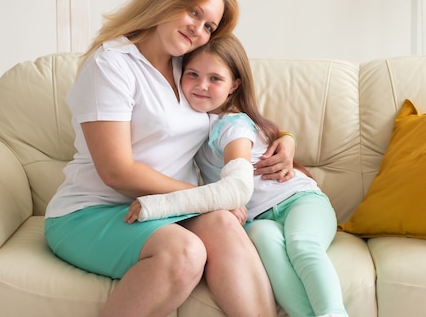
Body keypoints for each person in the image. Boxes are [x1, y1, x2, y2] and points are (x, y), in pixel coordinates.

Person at [44, 0, 297, 317]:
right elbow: (117, 171)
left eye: (209, 25)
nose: (198, 29)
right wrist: (207, 199)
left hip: (167, 210)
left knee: (224, 223)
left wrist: (285, 138)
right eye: (193, 11)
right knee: (186, 252)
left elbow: (236, 113)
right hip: (91, 212)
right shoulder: (112, 65)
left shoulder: (188, 67)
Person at [128, 34, 349, 317]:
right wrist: (287, 136)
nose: (201, 85)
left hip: (300, 201)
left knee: (301, 244)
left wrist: (156, 205)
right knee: (265, 243)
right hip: (260, 220)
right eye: (192, 74)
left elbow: (237, 180)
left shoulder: (232, 124)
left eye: (215, 79)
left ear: (234, 85)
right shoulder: (194, 123)